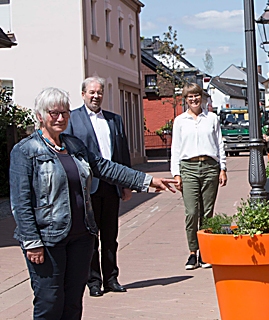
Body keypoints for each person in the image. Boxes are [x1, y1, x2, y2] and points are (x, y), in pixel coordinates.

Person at [9, 87, 176, 320]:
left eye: (64, 113)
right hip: (47, 239)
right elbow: (21, 201)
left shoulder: (74, 145)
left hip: (81, 236)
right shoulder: (26, 151)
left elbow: (106, 168)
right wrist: (31, 241)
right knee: (49, 300)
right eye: (53, 113)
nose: (60, 118)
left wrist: (147, 180)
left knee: (73, 301)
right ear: (40, 116)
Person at [65, 76, 131, 297]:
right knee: (90, 236)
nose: (96, 96)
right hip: (87, 188)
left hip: (110, 186)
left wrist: (126, 183)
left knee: (110, 235)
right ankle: (93, 282)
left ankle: (112, 278)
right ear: (83, 94)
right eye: (92, 92)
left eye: (99, 92)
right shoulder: (73, 119)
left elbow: (122, 154)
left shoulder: (114, 120)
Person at [171, 83, 227, 270]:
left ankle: (205, 253)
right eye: (190, 97)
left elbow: (219, 144)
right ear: (185, 99)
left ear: (201, 97)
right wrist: (176, 174)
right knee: (192, 212)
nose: (194, 99)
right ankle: (192, 252)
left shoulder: (211, 118)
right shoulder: (180, 121)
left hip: (210, 166)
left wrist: (223, 168)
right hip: (189, 167)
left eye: (197, 96)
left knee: (207, 212)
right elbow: (175, 149)